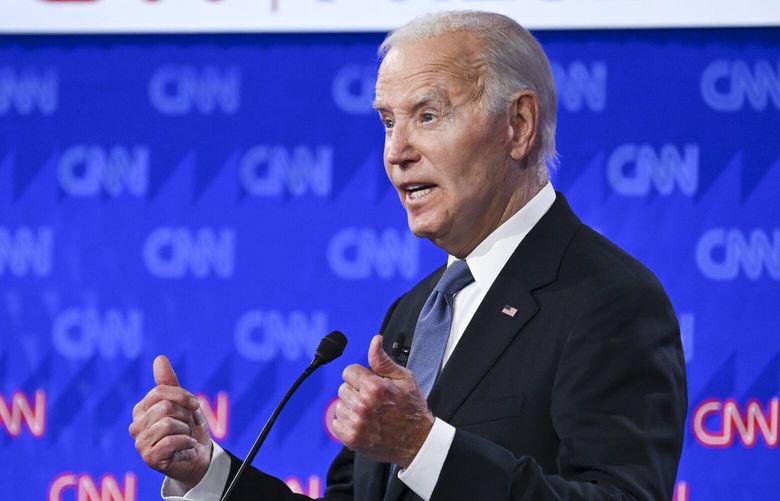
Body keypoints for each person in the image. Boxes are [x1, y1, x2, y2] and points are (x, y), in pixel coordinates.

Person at [129, 10, 687, 501]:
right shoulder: (414, 312)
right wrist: (207, 473)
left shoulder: (609, 299)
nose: (396, 153)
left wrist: (422, 447)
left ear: (517, 126)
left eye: (427, 115)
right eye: (388, 122)